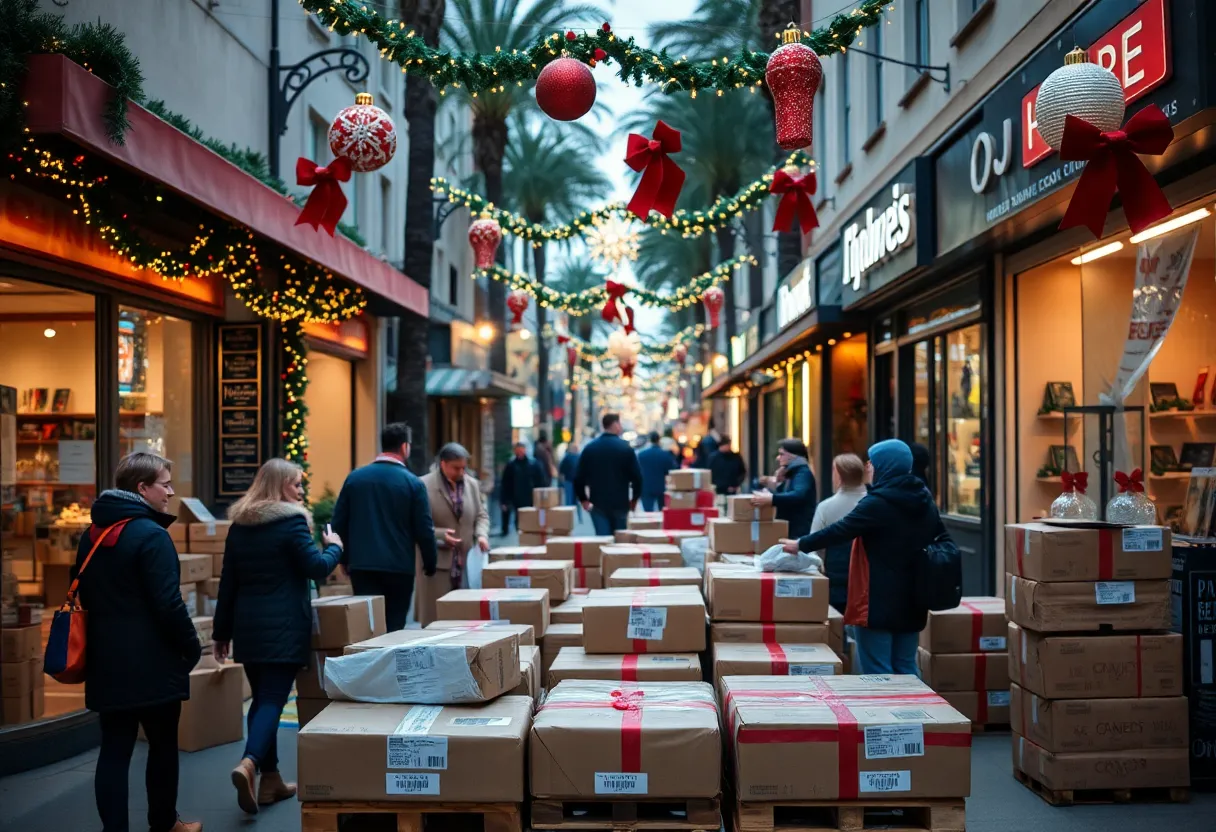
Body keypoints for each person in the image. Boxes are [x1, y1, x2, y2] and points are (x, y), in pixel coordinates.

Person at [74, 452, 202, 832]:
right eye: (164, 484)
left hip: (105, 660)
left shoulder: (92, 536)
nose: (171, 492)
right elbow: (168, 603)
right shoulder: (151, 535)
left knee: (114, 750)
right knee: (162, 747)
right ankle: (164, 824)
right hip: (153, 662)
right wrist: (191, 646)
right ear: (142, 488)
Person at [212, 458, 343, 815]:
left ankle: (270, 781)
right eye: (297, 484)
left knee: (261, 699)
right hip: (284, 626)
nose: (301, 491)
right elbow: (316, 568)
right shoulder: (291, 522)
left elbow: (229, 583)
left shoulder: (239, 526)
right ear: (281, 486)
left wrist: (220, 633)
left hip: (247, 626)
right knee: (272, 698)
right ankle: (250, 762)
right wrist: (334, 547)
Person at [782, 439, 945, 675]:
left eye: (872, 462)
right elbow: (941, 538)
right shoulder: (924, 499)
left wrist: (800, 544)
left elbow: (841, 529)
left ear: (884, 466)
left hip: (877, 598)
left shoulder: (878, 502)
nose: (867, 467)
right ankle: (912, 709)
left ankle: (882, 711)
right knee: (906, 665)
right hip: (914, 596)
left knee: (878, 669)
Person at [331, 422, 447, 631]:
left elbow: (339, 522)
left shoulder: (355, 479)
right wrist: (430, 563)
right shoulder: (413, 484)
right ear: (404, 447)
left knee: (367, 625)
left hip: (362, 566)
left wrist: (343, 559)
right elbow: (423, 528)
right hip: (399, 567)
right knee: (394, 626)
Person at [417, 443, 490, 626]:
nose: (461, 472)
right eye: (456, 468)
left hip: (466, 562)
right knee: (436, 621)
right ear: (443, 464)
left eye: (464, 467)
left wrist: (481, 535)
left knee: (463, 620)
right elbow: (415, 523)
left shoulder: (471, 485)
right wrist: (440, 535)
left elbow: (481, 514)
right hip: (437, 564)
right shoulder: (423, 485)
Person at [806, 454, 867, 614]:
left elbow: (815, 548)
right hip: (870, 580)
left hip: (837, 578)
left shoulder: (826, 507)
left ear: (838, 475)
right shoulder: (875, 503)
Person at [574, 413, 644, 535]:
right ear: (615, 424)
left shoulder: (590, 449)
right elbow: (637, 477)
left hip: (598, 503)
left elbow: (579, 477)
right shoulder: (625, 448)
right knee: (620, 541)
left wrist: (583, 499)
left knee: (603, 541)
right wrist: (634, 499)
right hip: (620, 503)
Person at [751, 438, 818, 538]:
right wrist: (776, 484)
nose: (778, 458)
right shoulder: (792, 473)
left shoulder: (802, 473)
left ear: (793, 456)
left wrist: (772, 499)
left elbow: (798, 495)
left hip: (798, 531)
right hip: (791, 529)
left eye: (782, 454)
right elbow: (785, 494)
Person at [500, 442, 548, 534]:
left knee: (530, 518)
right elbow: (505, 483)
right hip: (516, 497)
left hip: (530, 497)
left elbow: (541, 481)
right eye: (518, 451)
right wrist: (504, 501)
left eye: (521, 450)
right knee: (519, 520)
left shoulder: (533, 464)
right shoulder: (511, 465)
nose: (520, 453)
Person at [638, 431, 678, 511]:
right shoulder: (665, 455)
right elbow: (672, 471)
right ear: (659, 440)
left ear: (650, 440)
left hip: (646, 486)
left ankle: (650, 523)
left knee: (648, 512)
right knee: (662, 511)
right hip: (661, 487)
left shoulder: (641, 455)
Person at [558, 442, 582, 520]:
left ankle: (574, 516)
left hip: (573, 481)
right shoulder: (572, 457)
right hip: (570, 481)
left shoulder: (574, 457)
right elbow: (562, 470)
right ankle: (571, 516)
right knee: (571, 500)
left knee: (572, 499)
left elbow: (561, 470)